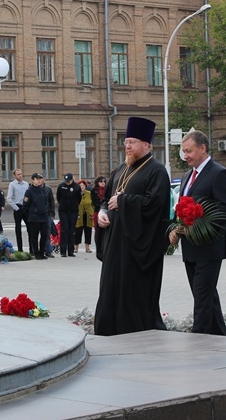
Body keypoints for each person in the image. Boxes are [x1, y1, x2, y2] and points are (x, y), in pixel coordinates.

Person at [95, 117, 170, 336]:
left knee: (132, 292)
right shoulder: (120, 169)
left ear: (146, 145)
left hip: (138, 249)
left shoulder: (157, 172)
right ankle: (109, 329)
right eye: (126, 141)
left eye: (132, 142)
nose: (127, 146)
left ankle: (137, 330)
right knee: (110, 289)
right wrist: (103, 213)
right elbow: (106, 198)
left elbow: (157, 206)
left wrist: (124, 201)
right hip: (114, 244)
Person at [169, 129, 226, 335]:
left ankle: (199, 340)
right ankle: (219, 336)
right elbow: (181, 207)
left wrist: (197, 225)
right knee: (206, 296)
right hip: (190, 249)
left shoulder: (219, 173)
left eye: (189, 151)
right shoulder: (188, 175)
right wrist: (175, 229)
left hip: (209, 248)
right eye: (183, 152)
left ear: (203, 148)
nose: (185, 156)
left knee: (202, 296)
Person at [23, 173, 53, 260]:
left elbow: (45, 202)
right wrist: (30, 214)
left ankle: (42, 252)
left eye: (40, 179)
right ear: (32, 180)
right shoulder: (29, 191)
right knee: (34, 236)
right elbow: (25, 205)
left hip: (43, 216)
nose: (38, 180)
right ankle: (36, 253)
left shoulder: (42, 190)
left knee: (44, 235)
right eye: (36, 179)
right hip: (34, 217)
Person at [57, 173, 82, 257]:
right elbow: (58, 197)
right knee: (64, 230)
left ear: (72, 179)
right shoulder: (61, 186)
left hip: (73, 211)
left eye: (69, 181)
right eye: (66, 181)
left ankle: (71, 251)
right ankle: (63, 251)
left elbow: (79, 198)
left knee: (71, 230)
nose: (67, 182)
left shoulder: (76, 187)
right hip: (63, 210)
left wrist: (74, 205)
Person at [6, 168, 29, 252]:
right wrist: (16, 208)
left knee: (30, 228)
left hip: (25, 207)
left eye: (21, 174)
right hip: (18, 207)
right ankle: (20, 249)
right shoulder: (12, 185)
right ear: (14, 176)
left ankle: (32, 248)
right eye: (18, 174)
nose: (20, 176)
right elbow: (9, 198)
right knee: (18, 229)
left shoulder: (26, 184)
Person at [91, 175, 107, 259]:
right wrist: (102, 204)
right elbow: (94, 202)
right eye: (101, 181)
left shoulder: (107, 189)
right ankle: (98, 244)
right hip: (97, 211)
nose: (103, 183)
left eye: (104, 181)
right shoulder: (94, 191)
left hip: (105, 211)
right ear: (97, 182)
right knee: (97, 228)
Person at [75, 179, 94, 253]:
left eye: (83, 185)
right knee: (77, 231)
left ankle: (87, 247)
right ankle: (75, 248)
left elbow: (92, 204)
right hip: (79, 215)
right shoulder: (76, 194)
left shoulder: (89, 193)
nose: (82, 187)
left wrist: (92, 212)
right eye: (80, 185)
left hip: (88, 215)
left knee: (88, 231)